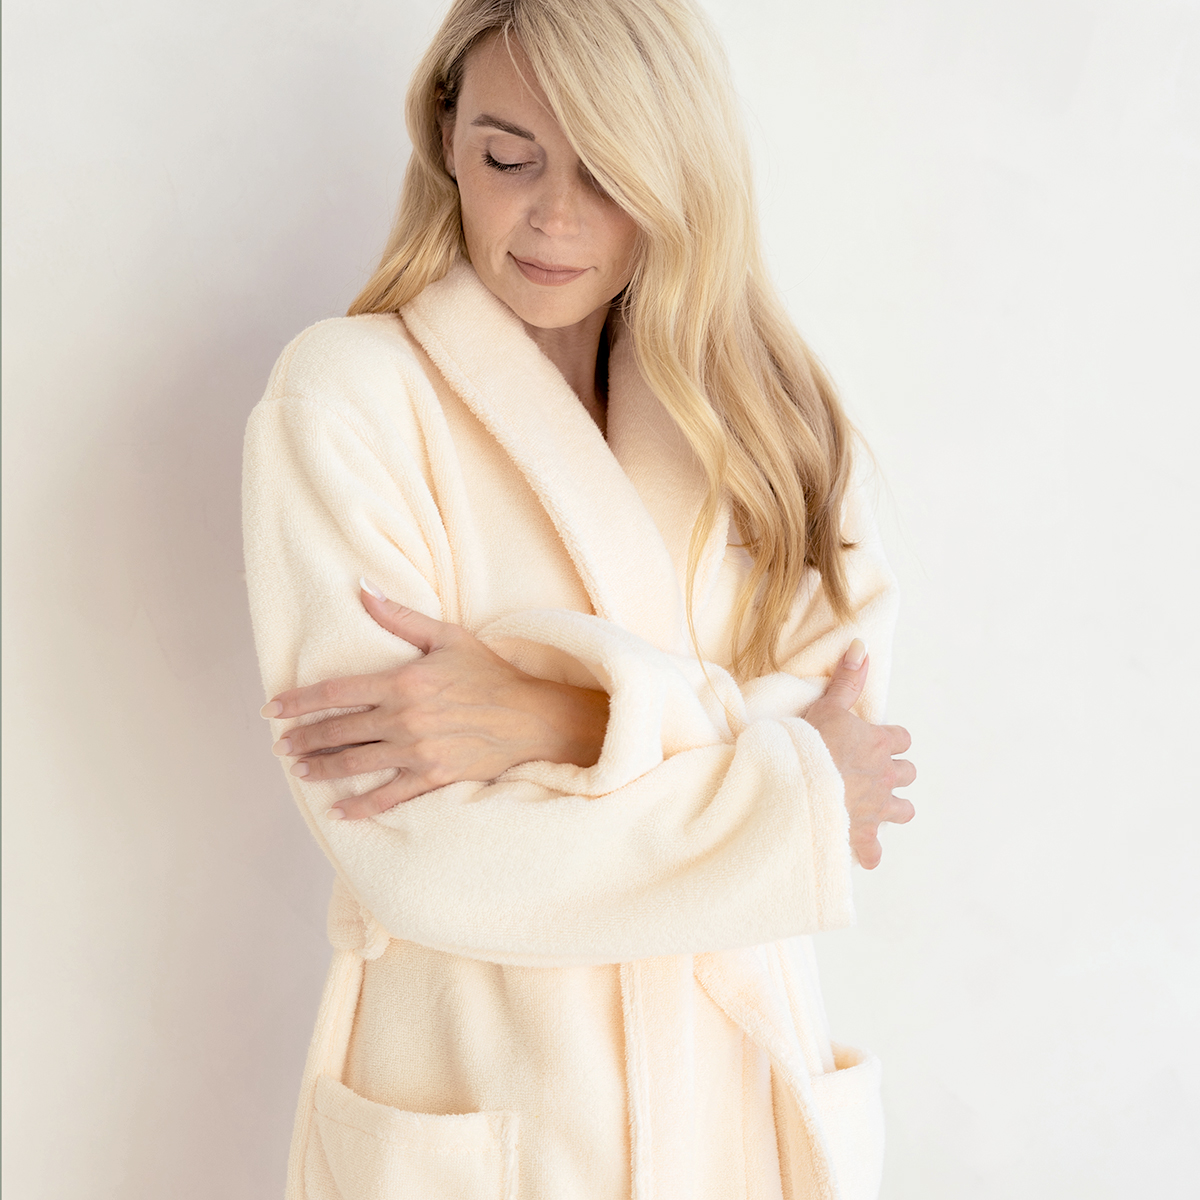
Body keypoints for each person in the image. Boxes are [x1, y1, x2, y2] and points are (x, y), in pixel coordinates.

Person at [242, 1, 915, 1197]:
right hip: (488, 1123)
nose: (554, 215)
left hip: (738, 1122)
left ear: (678, 171)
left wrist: (560, 720)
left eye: (606, 171)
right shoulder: (347, 402)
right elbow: (423, 855)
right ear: (448, 137)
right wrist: (767, 795)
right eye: (510, 158)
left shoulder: (782, 429)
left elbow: (841, 779)